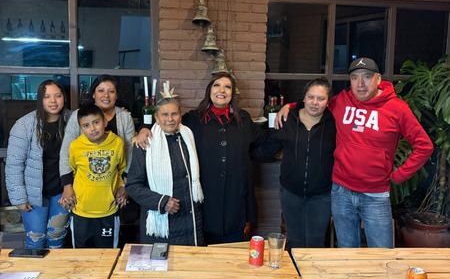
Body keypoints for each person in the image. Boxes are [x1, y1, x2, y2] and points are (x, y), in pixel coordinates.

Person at [276, 58, 433, 248]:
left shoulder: (397, 108)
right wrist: (290, 106)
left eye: (366, 77)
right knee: (347, 253)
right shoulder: (342, 101)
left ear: (378, 79)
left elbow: (424, 146)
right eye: (354, 78)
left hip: (375, 195)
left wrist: (400, 175)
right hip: (341, 191)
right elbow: (316, 103)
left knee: (382, 252)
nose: (360, 84)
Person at [136, 73, 265, 244]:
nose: (222, 90)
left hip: (235, 203)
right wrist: (144, 128)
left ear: (232, 93)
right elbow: (168, 122)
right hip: (205, 204)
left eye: (227, 87)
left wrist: (288, 114)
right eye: (217, 85)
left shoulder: (243, 119)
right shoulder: (193, 119)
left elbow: (262, 143)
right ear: (209, 90)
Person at [253, 78, 336, 248]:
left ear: (328, 101)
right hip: (291, 193)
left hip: (322, 195)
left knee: (316, 242)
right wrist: (243, 153)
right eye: (311, 97)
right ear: (303, 98)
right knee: (294, 240)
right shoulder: (287, 119)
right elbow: (269, 147)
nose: (315, 102)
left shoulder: (335, 123)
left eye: (321, 98)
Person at [126, 92, 204, 246]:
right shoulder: (145, 144)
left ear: (180, 116)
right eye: (165, 114)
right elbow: (133, 186)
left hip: (192, 220)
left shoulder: (189, 138)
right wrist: (162, 202)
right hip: (161, 224)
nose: (170, 119)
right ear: (156, 118)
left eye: (174, 114)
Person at [6, 80, 71, 249]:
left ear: (64, 98)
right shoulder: (24, 125)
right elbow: (14, 165)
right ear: (40, 99)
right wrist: (19, 198)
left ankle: (54, 267)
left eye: (57, 96)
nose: (53, 101)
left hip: (63, 191)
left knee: (57, 238)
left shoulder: (73, 121)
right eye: (47, 96)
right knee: (35, 240)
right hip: (34, 194)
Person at [59, 75, 135, 218]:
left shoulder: (124, 117)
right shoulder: (78, 116)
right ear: (93, 94)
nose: (106, 95)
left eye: (111, 91)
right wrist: (67, 186)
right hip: (86, 192)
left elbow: (129, 153)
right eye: (101, 90)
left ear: (116, 95)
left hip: (113, 188)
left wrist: (125, 185)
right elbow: (66, 154)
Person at [60, 104, 127, 248]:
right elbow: (72, 171)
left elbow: (121, 169)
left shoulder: (117, 143)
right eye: (86, 125)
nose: (92, 128)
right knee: (82, 255)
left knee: (109, 255)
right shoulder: (76, 146)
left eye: (96, 122)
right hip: (81, 211)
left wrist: (122, 187)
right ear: (81, 129)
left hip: (108, 211)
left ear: (105, 122)